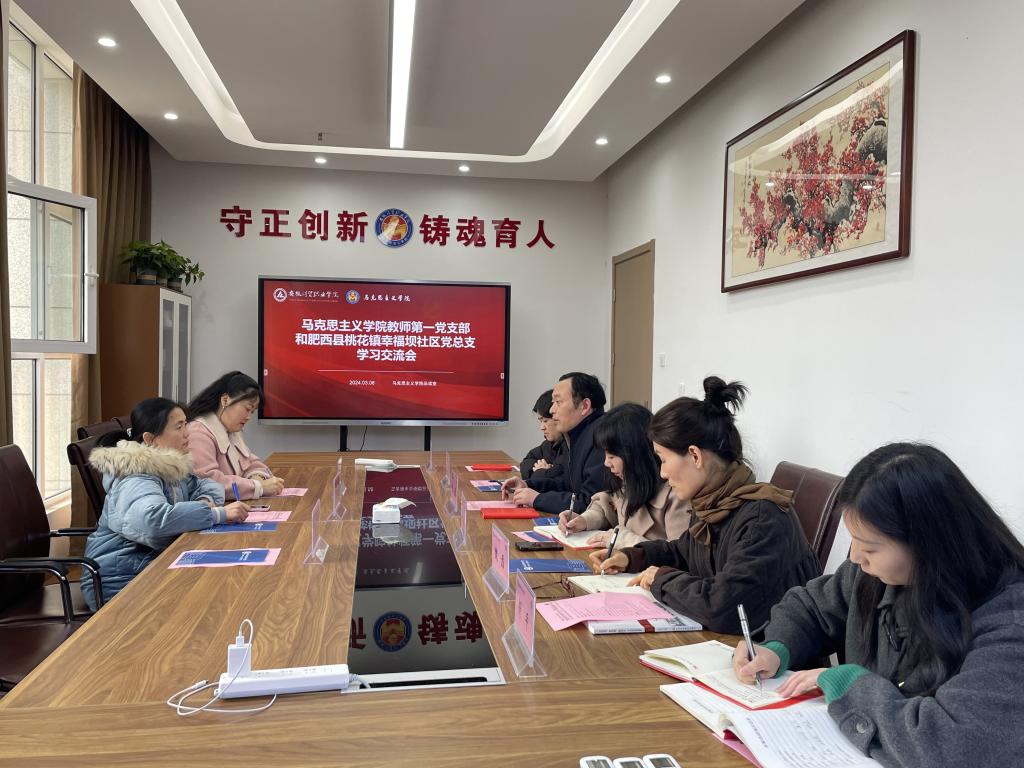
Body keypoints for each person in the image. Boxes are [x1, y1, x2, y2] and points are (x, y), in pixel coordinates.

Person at [733, 443, 1024, 767]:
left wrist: (851, 686)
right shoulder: (879, 575)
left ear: (928, 543)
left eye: (870, 547)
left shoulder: (1010, 628)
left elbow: (951, 747)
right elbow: (811, 607)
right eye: (854, 540)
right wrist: (777, 647)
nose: (856, 557)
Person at [590, 376, 819, 633]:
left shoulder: (761, 518)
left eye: (663, 459)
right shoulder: (713, 503)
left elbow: (724, 607)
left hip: (770, 652)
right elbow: (683, 552)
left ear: (695, 456)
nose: (662, 473)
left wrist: (661, 579)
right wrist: (632, 557)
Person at [82, 398, 250, 609]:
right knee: (221, 592)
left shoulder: (169, 466)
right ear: (150, 439)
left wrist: (204, 502)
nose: (187, 433)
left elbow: (207, 485)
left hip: (150, 565)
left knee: (226, 585)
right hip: (119, 581)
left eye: (186, 424)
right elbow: (153, 520)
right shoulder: (135, 476)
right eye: (179, 427)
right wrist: (217, 514)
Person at [558, 402, 689, 548]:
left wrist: (624, 540)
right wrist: (585, 520)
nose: (606, 463)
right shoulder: (629, 482)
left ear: (635, 454)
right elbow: (609, 502)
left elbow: (679, 553)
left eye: (612, 456)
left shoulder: (676, 496)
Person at [502, 372, 607, 514]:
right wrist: (528, 485)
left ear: (585, 406)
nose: (552, 410)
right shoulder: (576, 435)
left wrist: (537, 499)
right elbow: (567, 484)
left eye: (558, 402)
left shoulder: (601, 438)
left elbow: (590, 504)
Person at [186, 371, 285, 500]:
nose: (249, 417)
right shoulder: (198, 432)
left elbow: (252, 463)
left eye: (252, 412)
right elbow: (210, 482)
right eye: (247, 409)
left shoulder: (231, 430)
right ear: (225, 400)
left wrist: (257, 478)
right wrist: (258, 487)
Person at [518, 389, 567, 491]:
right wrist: (540, 472)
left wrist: (540, 473)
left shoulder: (570, 447)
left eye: (545, 421)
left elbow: (557, 480)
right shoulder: (549, 444)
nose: (542, 427)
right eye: (540, 421)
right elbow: (526, 461)